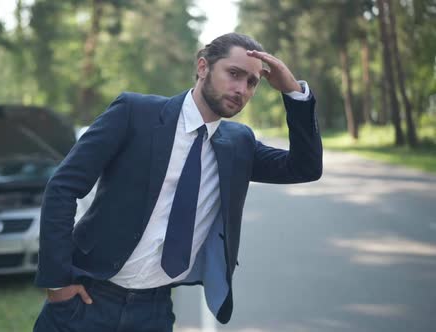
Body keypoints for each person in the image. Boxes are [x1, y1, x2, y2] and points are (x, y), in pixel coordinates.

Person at [32, 33, 322, 331]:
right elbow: (63, 186)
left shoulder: (239, 144)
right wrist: (58, 283)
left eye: (252, 83)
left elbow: (304, 168)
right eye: (233, 74)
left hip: (154, 310)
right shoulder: (135, 113)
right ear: (202, 67)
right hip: (87, 300)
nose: (241, 89)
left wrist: (293, 93)